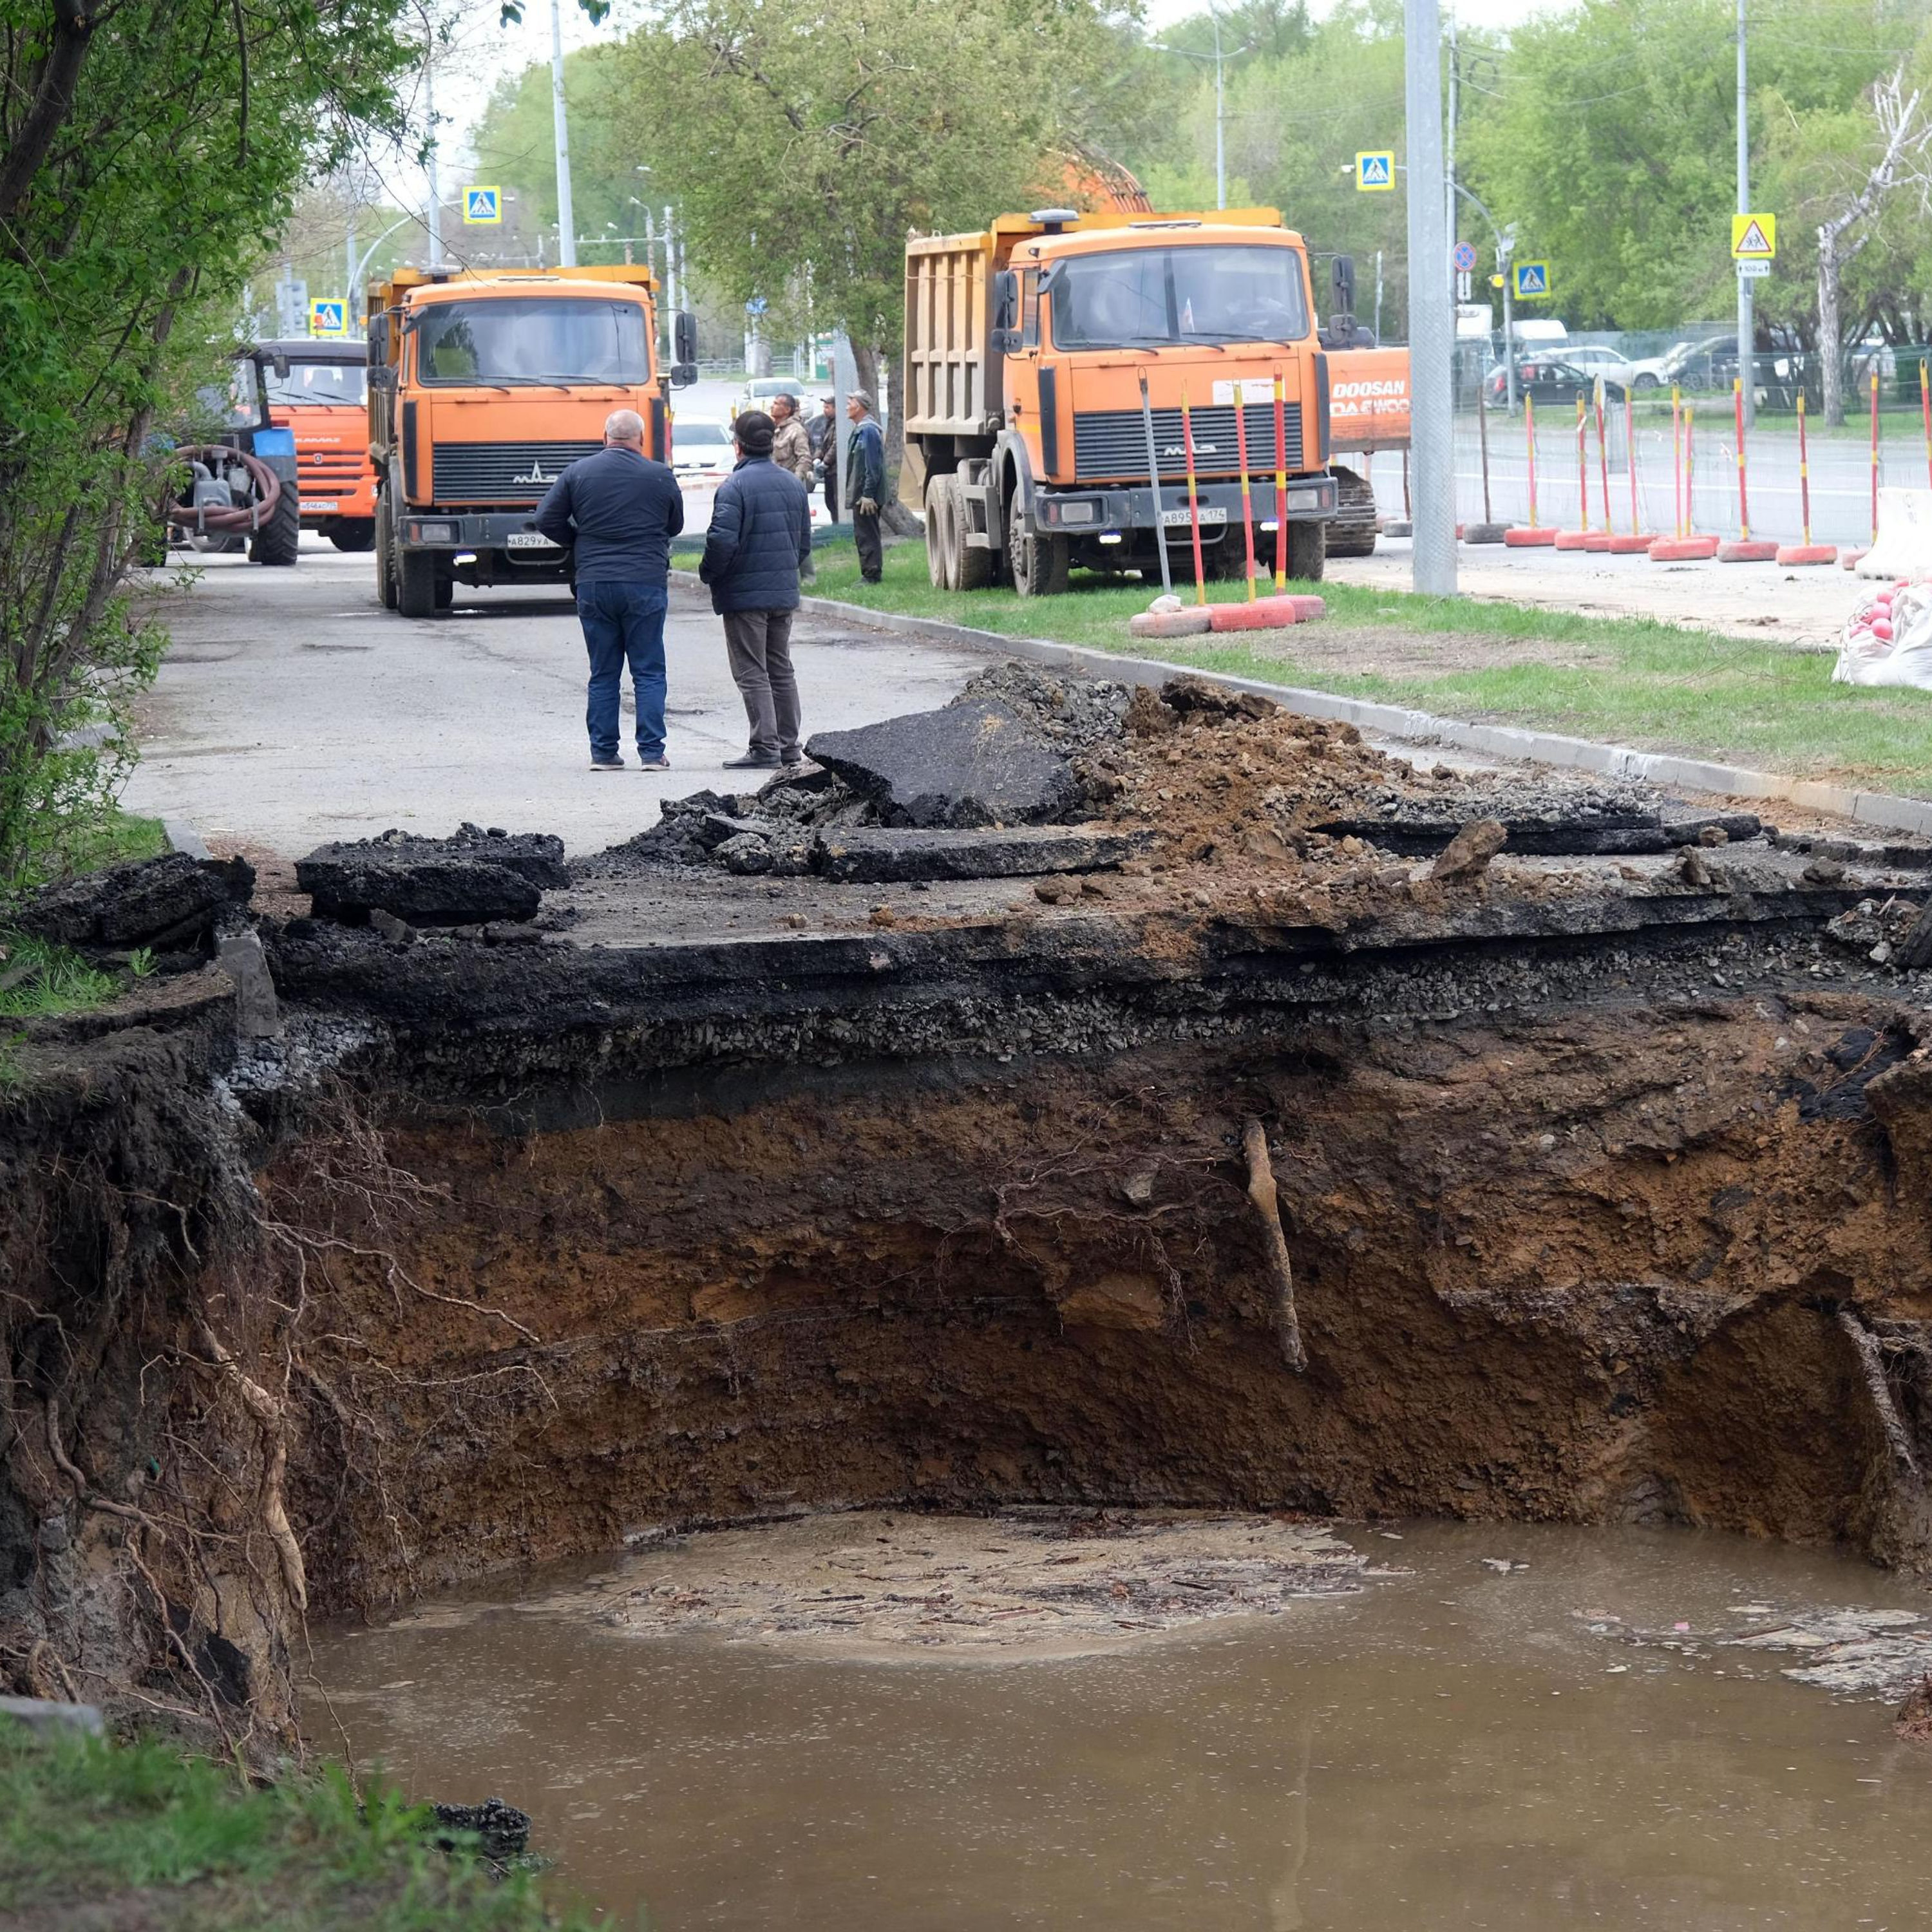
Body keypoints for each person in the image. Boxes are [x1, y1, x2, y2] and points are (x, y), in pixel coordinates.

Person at [535, 407, 683, 772]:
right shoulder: (660, 475)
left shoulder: (578, 473)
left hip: (595, 583)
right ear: (641, 440)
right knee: (648, 670)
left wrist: (579, 541)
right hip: (645, 582)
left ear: (605, 438)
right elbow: (675, 525)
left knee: (603, 671)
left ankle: (603, 753)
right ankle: (651, 753)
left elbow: (544, 518)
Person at [698, 409, 812, 770]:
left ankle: (765, 747)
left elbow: (721, 542)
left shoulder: (734, 487)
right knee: (781, 668)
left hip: (745, 595)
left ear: (738, 447)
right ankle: (788, 746)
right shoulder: (793, 484)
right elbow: (804, 544)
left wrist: (709, 573)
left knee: (752, 670)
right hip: (782, 592)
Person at [845, 388, 886, 583]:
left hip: (866, 495)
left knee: (867, 534)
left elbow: (873, 465)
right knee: (863, 534)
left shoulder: (868, 430)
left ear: (858, 406)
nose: (847, 406)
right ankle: (869, 572)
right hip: (862, 493)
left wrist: (868, 494)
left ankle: (872, 575)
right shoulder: (862, 428)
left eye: (849, 402)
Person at [769, 393, 813, 484]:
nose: (772, 406)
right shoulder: (776, 429)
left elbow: (804, 458)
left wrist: (796, 480)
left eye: (776, 404)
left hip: (789, 484)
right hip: (775, 482)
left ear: (787, 410)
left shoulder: (796, 430)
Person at [809, 395, 838, 522]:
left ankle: (840, 530)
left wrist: (826, 462)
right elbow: (822, 444)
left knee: (836, 502)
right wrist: (817, 458)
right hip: (829, 472)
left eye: (828, 407)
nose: (825, 410)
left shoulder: (839, 424)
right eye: (824, 407)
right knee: (830, 502)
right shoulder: (827, 424)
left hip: (836, 471)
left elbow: (836, 445)